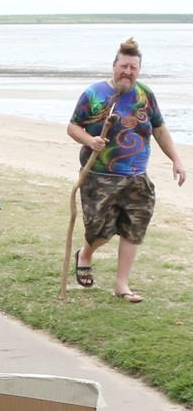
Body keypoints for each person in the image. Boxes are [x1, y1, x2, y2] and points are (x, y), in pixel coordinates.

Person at [67, 37, 186, 302]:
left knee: (134, 228)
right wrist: (90, 140)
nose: (128, 72)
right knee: (100, 231)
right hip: (99, 175)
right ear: (114, 66)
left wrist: (176, 159)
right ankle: (85, 254)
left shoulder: (145, 95)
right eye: (124, 66)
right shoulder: (94, 94)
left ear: (138, 70)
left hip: (137, 176)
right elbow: (73, 127)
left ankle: (122, 284)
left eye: (133, 67)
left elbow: (159, 129)